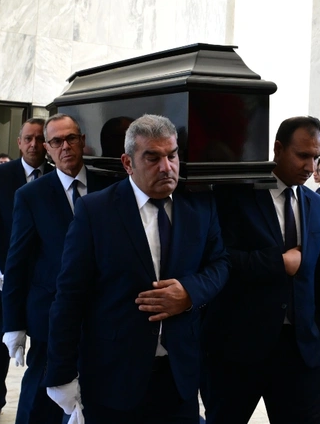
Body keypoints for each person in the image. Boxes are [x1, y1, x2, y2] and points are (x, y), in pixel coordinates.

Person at [43, 114, 229, 423]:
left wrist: (189, 293)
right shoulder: (96, 211)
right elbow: (69, 297)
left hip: (179, 375)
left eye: (172, 155)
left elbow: (220, 263)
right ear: (128, 163)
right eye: (153, 158)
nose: (166, 167)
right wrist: (61, 374)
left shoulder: (199, 205)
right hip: (113, 378)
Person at [203, 116, 320, 424]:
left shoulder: (316, 205)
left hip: (300, 352)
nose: (311, 167)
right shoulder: (237, 196)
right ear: (278, 149)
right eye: (302, 155)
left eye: (315, 157)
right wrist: (278, 262)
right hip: (239, 349)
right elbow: (219, 260)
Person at [2, 113, 113, 424]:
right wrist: (13, 324)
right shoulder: (31, 195)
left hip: (101, 313)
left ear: (82, 142)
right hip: (49, 315)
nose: (65, 146)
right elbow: (17, 261)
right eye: (56, 141)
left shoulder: (110, 186)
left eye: (71, 138)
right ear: (48, 149)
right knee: (39, 399)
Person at [0, 118, 51, 424]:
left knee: (44, 343)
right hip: (4, 277)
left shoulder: (57, 175)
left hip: (44, 278)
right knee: (0, 344)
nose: (34, 144)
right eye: (28, 138)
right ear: (19, 142)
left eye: (40, 139)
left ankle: (42, 404)